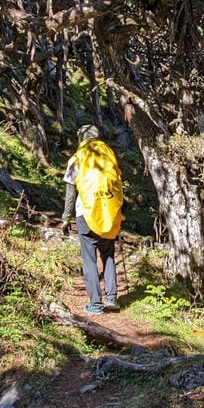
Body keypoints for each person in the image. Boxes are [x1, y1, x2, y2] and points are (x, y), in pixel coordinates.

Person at [62, 124, 123, 315]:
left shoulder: (77, 158)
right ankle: (112, 298)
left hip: (86, 213)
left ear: (81, 138)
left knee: (89, 259)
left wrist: (66, 217)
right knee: (109, 255)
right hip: (109, 212)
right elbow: (118, 185)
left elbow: (71, 192)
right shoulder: (109, 155)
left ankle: (95, 304)